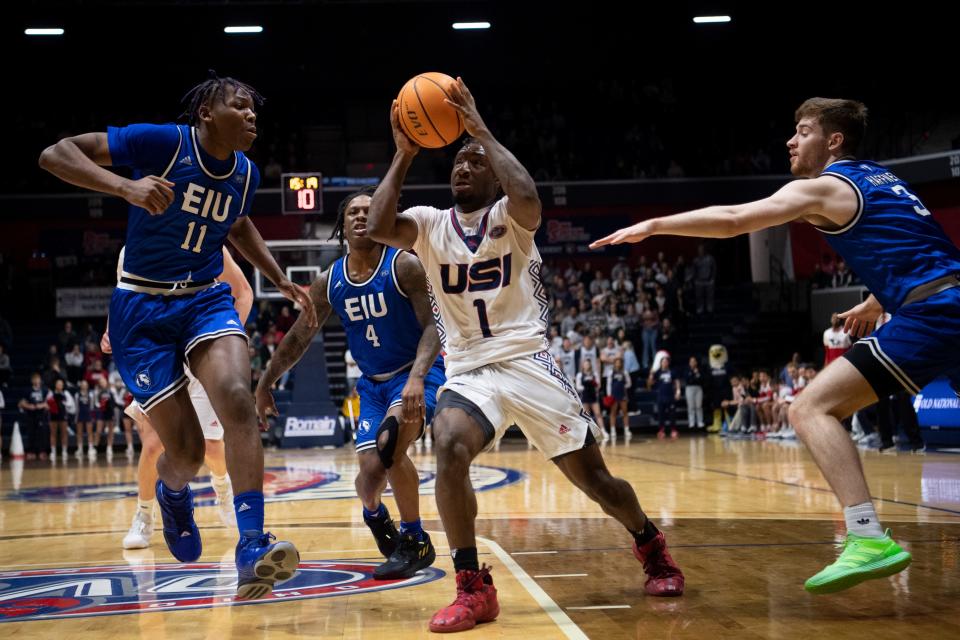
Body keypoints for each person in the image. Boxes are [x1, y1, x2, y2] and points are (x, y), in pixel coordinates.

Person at [590, 97, 960, 593]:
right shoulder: (882, 178)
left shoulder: (826, 187)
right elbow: (923, 247)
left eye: (803, 131)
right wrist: (876, 301)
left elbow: (735, 217)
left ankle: (868, 536)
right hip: (947, 299)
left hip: (935, 314)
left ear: (834, 141)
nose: (790, 140)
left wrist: (656, 225)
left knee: (809, 409)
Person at [368, 77, 683, 634]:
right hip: (470, 368)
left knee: (597, 482)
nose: (462, 168)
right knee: (448, 444)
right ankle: (472, 587)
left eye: (473, 162)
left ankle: (649, 543)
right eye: (456, 163)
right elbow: (375, 227)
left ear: (491, 171)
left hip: (529, 361)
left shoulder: (510, 219)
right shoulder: (429, 224)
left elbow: (530, 196)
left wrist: (478, 130)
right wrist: (404, 152)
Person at [39, 72, 315, 599]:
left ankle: (251, 545)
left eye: (255, 108)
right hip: (141, 309)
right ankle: (172, 493)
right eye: (240, 106)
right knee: (185, 454)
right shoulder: (164, 142)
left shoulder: (247, 172)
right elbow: (56, 154)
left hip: (204, 297)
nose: (253, 115)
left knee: (237, 399)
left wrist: (278, 278)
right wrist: (126, 186)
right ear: (207, 113)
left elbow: (236, 225)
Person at [256, 189, 444, 580]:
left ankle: (416, 540)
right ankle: (376, 518)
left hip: (413, 375)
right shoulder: (331, 281)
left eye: (369, 210)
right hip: (372, 386)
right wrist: (266, 381)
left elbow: (433, 326)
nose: (361, 216)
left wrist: (417, 377)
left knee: (391, 443)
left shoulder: (405, 265)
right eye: (353, 212)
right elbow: (297, 337)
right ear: (342, 225)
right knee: (369, 479)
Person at [111, 246, 249, 549]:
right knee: (152, 445)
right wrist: (113, 330)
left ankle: (223, 490)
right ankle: (144, 516)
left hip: (199, 352)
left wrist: (220, 342)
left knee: (212, 448)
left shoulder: (206, 236)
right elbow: (128, 300)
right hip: (156, 354)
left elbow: (243, 293)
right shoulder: (133, 248)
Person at [18, 373, 50, 460]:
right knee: (31, 433)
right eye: (34, 379)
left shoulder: (44, 390)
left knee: (42, 433)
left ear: (40, 380)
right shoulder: (28, 391)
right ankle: (31, 451)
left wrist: (43, 405)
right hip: (31, 415)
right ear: (32, 381)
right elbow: (21, 403)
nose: (36, 381)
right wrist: (29, 406)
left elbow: (50, 403)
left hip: (41, 415)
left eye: (38, 379)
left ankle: (42, 451)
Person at [648, 356, 680, 439]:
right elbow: (650, 384)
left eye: (666, 361)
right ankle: (661, 430)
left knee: (672, 414)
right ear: (661, 363)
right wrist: (651, 375)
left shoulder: (672, 372)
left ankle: (673, 430)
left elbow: (676, 382)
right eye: (663, 361)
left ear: (668, 363)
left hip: (670, 396)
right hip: (661, 396)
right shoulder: (657, 372)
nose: (665, 363)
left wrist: (678, 392)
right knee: (661, 414)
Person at [575, 358, 606, 439]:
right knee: (587, 416)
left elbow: (598, 385)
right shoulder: (580, 375)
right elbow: (578, 387)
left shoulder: (594, 374)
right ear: (583, 366)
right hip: (585, 396)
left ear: (590, 365)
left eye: (588, 364)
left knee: (598, 414)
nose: (587, 365)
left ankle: (603, 431)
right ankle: (590, 433)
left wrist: (593, 386)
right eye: (585, 364)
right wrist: (587, 386)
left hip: (593, 396)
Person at [606, 357, 632, 438]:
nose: (618, 364)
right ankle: (613, 430)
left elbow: (629, 383)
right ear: (614, 364)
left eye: (619, 362)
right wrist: (609, 395)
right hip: (614, 395)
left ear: (621, 364)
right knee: (613, 413)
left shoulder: (625, 372)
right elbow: (608, 384)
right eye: (617, 362)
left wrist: (624, 386)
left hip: (622, 395)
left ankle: (627, 430)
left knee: (625, 412)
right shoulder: (611, 372)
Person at [684, 356, 704, 429]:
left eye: (694, 361)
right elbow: (688, 380)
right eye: (691, 361)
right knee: (691, 406)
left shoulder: (700, 370)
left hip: (698, 388)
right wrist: (693, 374)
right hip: (689, 388)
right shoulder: (687, 370)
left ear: (696, 362)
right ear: (689, 363)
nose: (693, 363)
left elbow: (701, 380)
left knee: (699, 406)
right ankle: (691, 422)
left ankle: (700, 422)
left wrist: (697, 373)